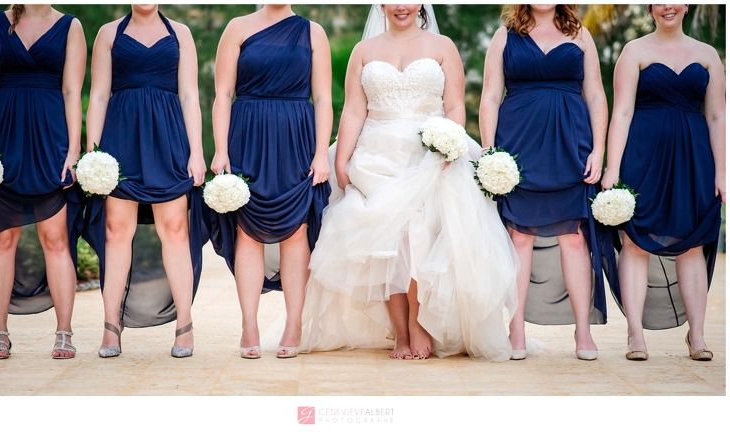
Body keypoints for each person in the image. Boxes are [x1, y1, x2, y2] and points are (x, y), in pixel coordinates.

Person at [268, 4, 519, 362]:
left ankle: (419, 324)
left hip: (429, 154)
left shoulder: (443, 46)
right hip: (376, 154)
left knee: (417, 236)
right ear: (381, 5)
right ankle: (401, 333)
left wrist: (449, 141)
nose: (401, 5)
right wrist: (342, 157)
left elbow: (454, 107)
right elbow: (354, 110)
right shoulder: (364, 51)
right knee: (386, 242)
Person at [480, 4, 613, 360]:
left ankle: (583, 331)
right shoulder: (504, 36)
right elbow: (491, 96)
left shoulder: (580, 34)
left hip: (572, 144)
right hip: (518, 145)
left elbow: (596, 95)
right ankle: (517, 328)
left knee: (574, 236)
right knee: (520, 236)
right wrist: (490, 151)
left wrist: (599, 149)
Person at [601, 4, 724, 361]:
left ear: (687, 5)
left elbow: (717, 115)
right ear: (651, 8)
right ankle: (635, 335)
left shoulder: (708, 55)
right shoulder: (634, 51)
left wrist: (721, 172)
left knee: (691, 245)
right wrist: (613, 168)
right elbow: (621, 111)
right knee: (637, 242)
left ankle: (697, 336)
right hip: (643, 155)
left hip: (693, 158)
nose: (667, 5)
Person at [209, 4, 332, 359]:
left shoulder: (313, 32)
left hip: (296, 137)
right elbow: (222, 96)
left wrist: (321, 153)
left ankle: (294, 323)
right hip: (247, 135)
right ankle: (249, 323)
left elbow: (322, 98)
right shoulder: (236, 27)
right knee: (247, 232)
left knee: (296, 231)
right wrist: (220, 149)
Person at [84, 4, 207, 358]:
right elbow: (99, 95)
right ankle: (110, 327)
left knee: (175, 229)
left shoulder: (180, 33)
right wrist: (93, 154)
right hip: (121, 140)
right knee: (116, 232)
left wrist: (196, 151)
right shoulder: (109, 34)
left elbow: (189, 96)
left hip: (169, 139)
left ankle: (185, 324)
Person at [0, 4, 85, 359]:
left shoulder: (70, 26)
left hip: (51, 139)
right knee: (3, 239)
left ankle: (64, 332)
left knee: (56, 238)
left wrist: (74, 150)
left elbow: (71, 92)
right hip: (1, 139)